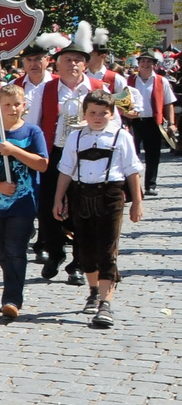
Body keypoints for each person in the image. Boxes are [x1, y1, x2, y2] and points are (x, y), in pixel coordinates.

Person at [54, 90, 143, 329]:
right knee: (85, 249)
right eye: (92, 112)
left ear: (112, 114)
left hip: (110, 194)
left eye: (103, 113)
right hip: (81, 193)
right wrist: (58, 199)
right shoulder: (75, 137)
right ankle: (93, 290)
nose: (97, 117)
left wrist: (137, 201)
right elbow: (65, 170)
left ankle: (105, 304)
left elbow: (132, 170)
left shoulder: (121, 137)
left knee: (107, 250)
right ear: (85, 113)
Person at [0, 84, 49, 319]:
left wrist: (14, 151)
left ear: (24, 106)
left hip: (24, 202)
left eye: (17, 104)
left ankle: (12, 298)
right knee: (3, 251)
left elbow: (42, 164)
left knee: (15, 250)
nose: (13, 109)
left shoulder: (32, 132)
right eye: (7, 105)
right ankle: (11, 284)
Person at [33, 31, 103, 285]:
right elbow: (34, 124)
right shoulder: (46, 89)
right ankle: (55, 253)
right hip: (55, 154)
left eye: (77, 60)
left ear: (85, 64)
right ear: (58, 63)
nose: (72, 64)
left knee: (82, 211)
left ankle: (77, 262)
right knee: (48, 208)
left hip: (88, 157)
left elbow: (112, 122)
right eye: (67, 60)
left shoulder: (97, 88)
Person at [130, 52, 177, 192]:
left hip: (153, 122)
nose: (145, 64)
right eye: (142, 61)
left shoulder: (161, 81)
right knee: (131, 154)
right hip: (133, 121)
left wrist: (171, 123)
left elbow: (169, 103)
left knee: (153, 155)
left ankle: (150, 185)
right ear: (138, 64)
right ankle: (132, 187)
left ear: (154, 64)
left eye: (148, 62)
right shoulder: (129, 80)